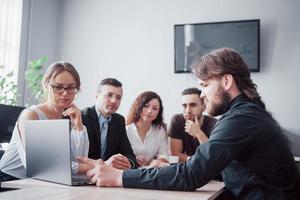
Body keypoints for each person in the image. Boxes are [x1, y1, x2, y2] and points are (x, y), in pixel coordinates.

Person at [78, 48, 300, 199]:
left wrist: (119, 176)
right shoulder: (248, 114)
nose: (202, 94)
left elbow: (192, 175)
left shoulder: (242, 119)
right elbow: (216, 168)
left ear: (226, 81)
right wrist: (173, 168)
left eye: (204, 84)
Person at [0, 61, 89, 182]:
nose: (65, 93)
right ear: (46, 85)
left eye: (71, 87)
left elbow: (78, 159)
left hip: (40, 180)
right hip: (9, 180)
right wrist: (93, 167)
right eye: (58, 87)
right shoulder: (31, 115)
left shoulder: (68, 117)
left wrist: (78, 126)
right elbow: (42, 164)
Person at [81, 78, 138, 170]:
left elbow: (128, 153)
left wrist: (128, 163)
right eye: (109, 95)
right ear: (96, 97)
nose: (114, 101)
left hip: (108, 177)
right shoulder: (82, 117)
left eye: (118, 97)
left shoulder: (119, 120)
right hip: (84, 175)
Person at [168, 87, 216, 162]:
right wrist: (195, 161)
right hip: (187, 167)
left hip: (210, 171)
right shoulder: (177, 121)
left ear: (203, 107)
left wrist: (199, 134)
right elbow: (174, 154)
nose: (188, 111)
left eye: (193, 105)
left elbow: (213, 156)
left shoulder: (215, 124)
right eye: (184, 106)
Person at [126, 91, 168, 167]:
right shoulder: (126, 130)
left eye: (155, 108)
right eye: (146, 106)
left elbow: (163, 154)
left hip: (151, 172)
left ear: (158, 113)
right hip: (130, 171)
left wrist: (158, 162)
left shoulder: (160, 131)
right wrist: (133, 160)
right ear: (139, 106)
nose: (149, 111)